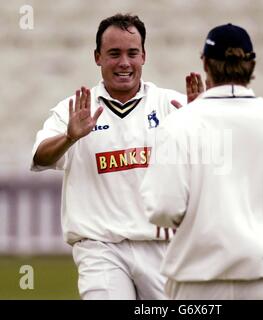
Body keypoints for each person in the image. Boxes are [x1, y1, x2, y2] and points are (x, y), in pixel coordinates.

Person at [140, 23, 263, 300]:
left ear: (205, 63)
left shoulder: (180, 124)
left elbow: (163, 207)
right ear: (251, 64)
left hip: (198, 284)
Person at [31, 13, 186, 300]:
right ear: (97, 57)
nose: (124, 63)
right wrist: (69, 138)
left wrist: (205, 124)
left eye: (132, 53)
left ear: (144, 56)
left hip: (161, 246)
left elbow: (214, 162)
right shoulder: (75, 108)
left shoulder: (172, 105)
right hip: (100, 247)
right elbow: (39, 158)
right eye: (114, 53)